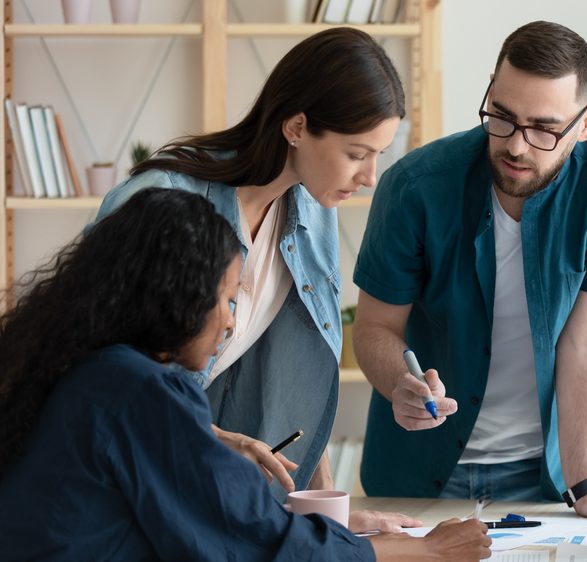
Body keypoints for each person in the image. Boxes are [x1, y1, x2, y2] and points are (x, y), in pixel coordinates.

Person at [0, 188, 491, 561]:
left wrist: (335, 530)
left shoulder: (85, 369)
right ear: (176, 296)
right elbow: (254, 538)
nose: (232, 321)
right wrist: (425, 550)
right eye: (229, 298)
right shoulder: (141, 389)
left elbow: (223, 518)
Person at [95, 28, 403, 510]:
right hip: (132, 477)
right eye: (356, 154)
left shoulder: (314, 207)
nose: (369, 177)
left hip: (214, 488)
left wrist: (325, 509)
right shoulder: (160, 201)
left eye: (378, 155)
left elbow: (301, 371)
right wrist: (213, 439)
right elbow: (104, 374)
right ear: (297, 128)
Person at [352, 20, 587, 516]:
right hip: (419, 470)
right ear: (490, 91)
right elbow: (376, 326)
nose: (516, 145)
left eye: (544, 129)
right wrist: (396, 383)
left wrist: (585, 485)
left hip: (551, 471)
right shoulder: (415, 185)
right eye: (503, 117)